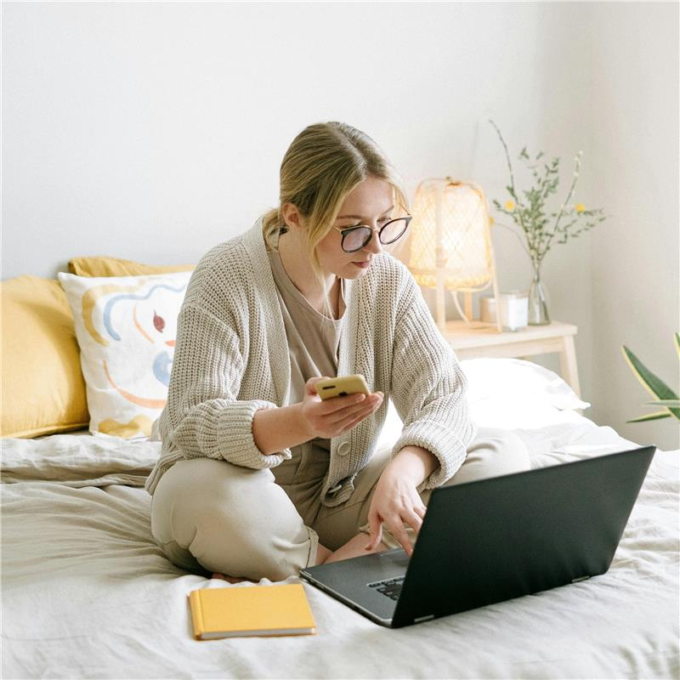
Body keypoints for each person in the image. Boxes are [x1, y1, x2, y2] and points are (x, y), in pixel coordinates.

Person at [146, 121, 530, 583]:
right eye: (351, 230)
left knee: (498, 452)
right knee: (194, 492)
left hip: (341, 501)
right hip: (245, 501)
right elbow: (191, 420)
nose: (374, 248)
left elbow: (443, 398)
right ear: (294, 216)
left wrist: (404, 472)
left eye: (385, 224)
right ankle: (353, 561)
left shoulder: (386, 280)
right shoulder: (225, 277)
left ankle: (338, 564)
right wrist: (301, 422)